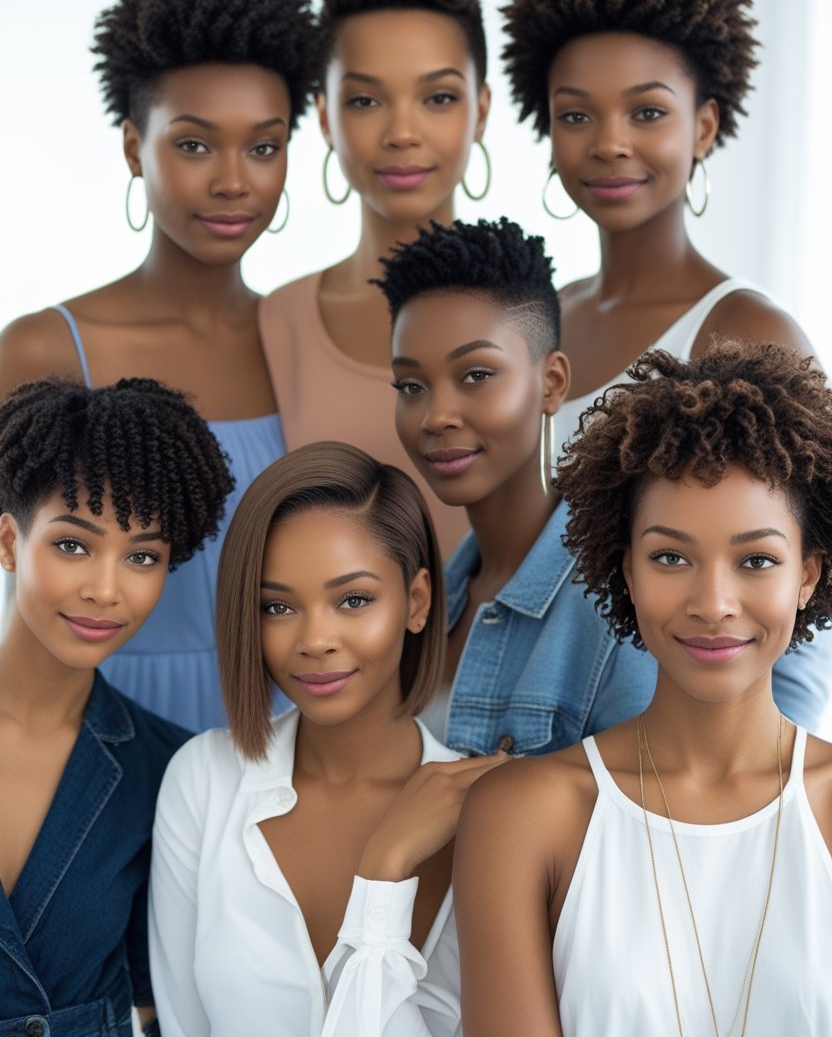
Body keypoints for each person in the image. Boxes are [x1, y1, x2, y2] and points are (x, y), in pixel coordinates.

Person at [454, 341, 832, 1035]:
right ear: (624, 570)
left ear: (806, 575)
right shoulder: (522, 816)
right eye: (670, 557)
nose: (713, 602)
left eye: (756, 560)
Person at [0, 0, 319, 731]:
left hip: (277, 744)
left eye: (264, 146)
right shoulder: (47, 350)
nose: (234, 180)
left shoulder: (307, 344)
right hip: (84, 743)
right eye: (194, 143)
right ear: (133, 146)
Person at [375, 219, 832, 754]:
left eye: (477, 375)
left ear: (553, 383)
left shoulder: (626, 600)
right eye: (411, 385)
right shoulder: (437, 594)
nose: (437, 415)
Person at [149, 441, 504, 1036]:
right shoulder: (202, 780)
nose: (315, 639)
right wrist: (384, 862)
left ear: (417, 602)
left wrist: (384, 873)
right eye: (277, 607)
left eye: (353, 600)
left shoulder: (491, 811)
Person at [502, 0, 814, 459]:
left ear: (704, 127)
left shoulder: (752, 334)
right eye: (576, 114)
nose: (610, 144)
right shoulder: (536, 319)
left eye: (647, 112)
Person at [0, 376, 232, 1035]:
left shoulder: (169, 772)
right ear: (10, 542)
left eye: (141, 555)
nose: (106, 589)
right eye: (73, 544)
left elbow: (163, 1010)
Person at [259, 0, 492, 557]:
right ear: (325, 117)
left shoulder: (540, 317)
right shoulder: (278, 323)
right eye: (366, 101)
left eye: (438, 98)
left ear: (483, 109)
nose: (402, 133)